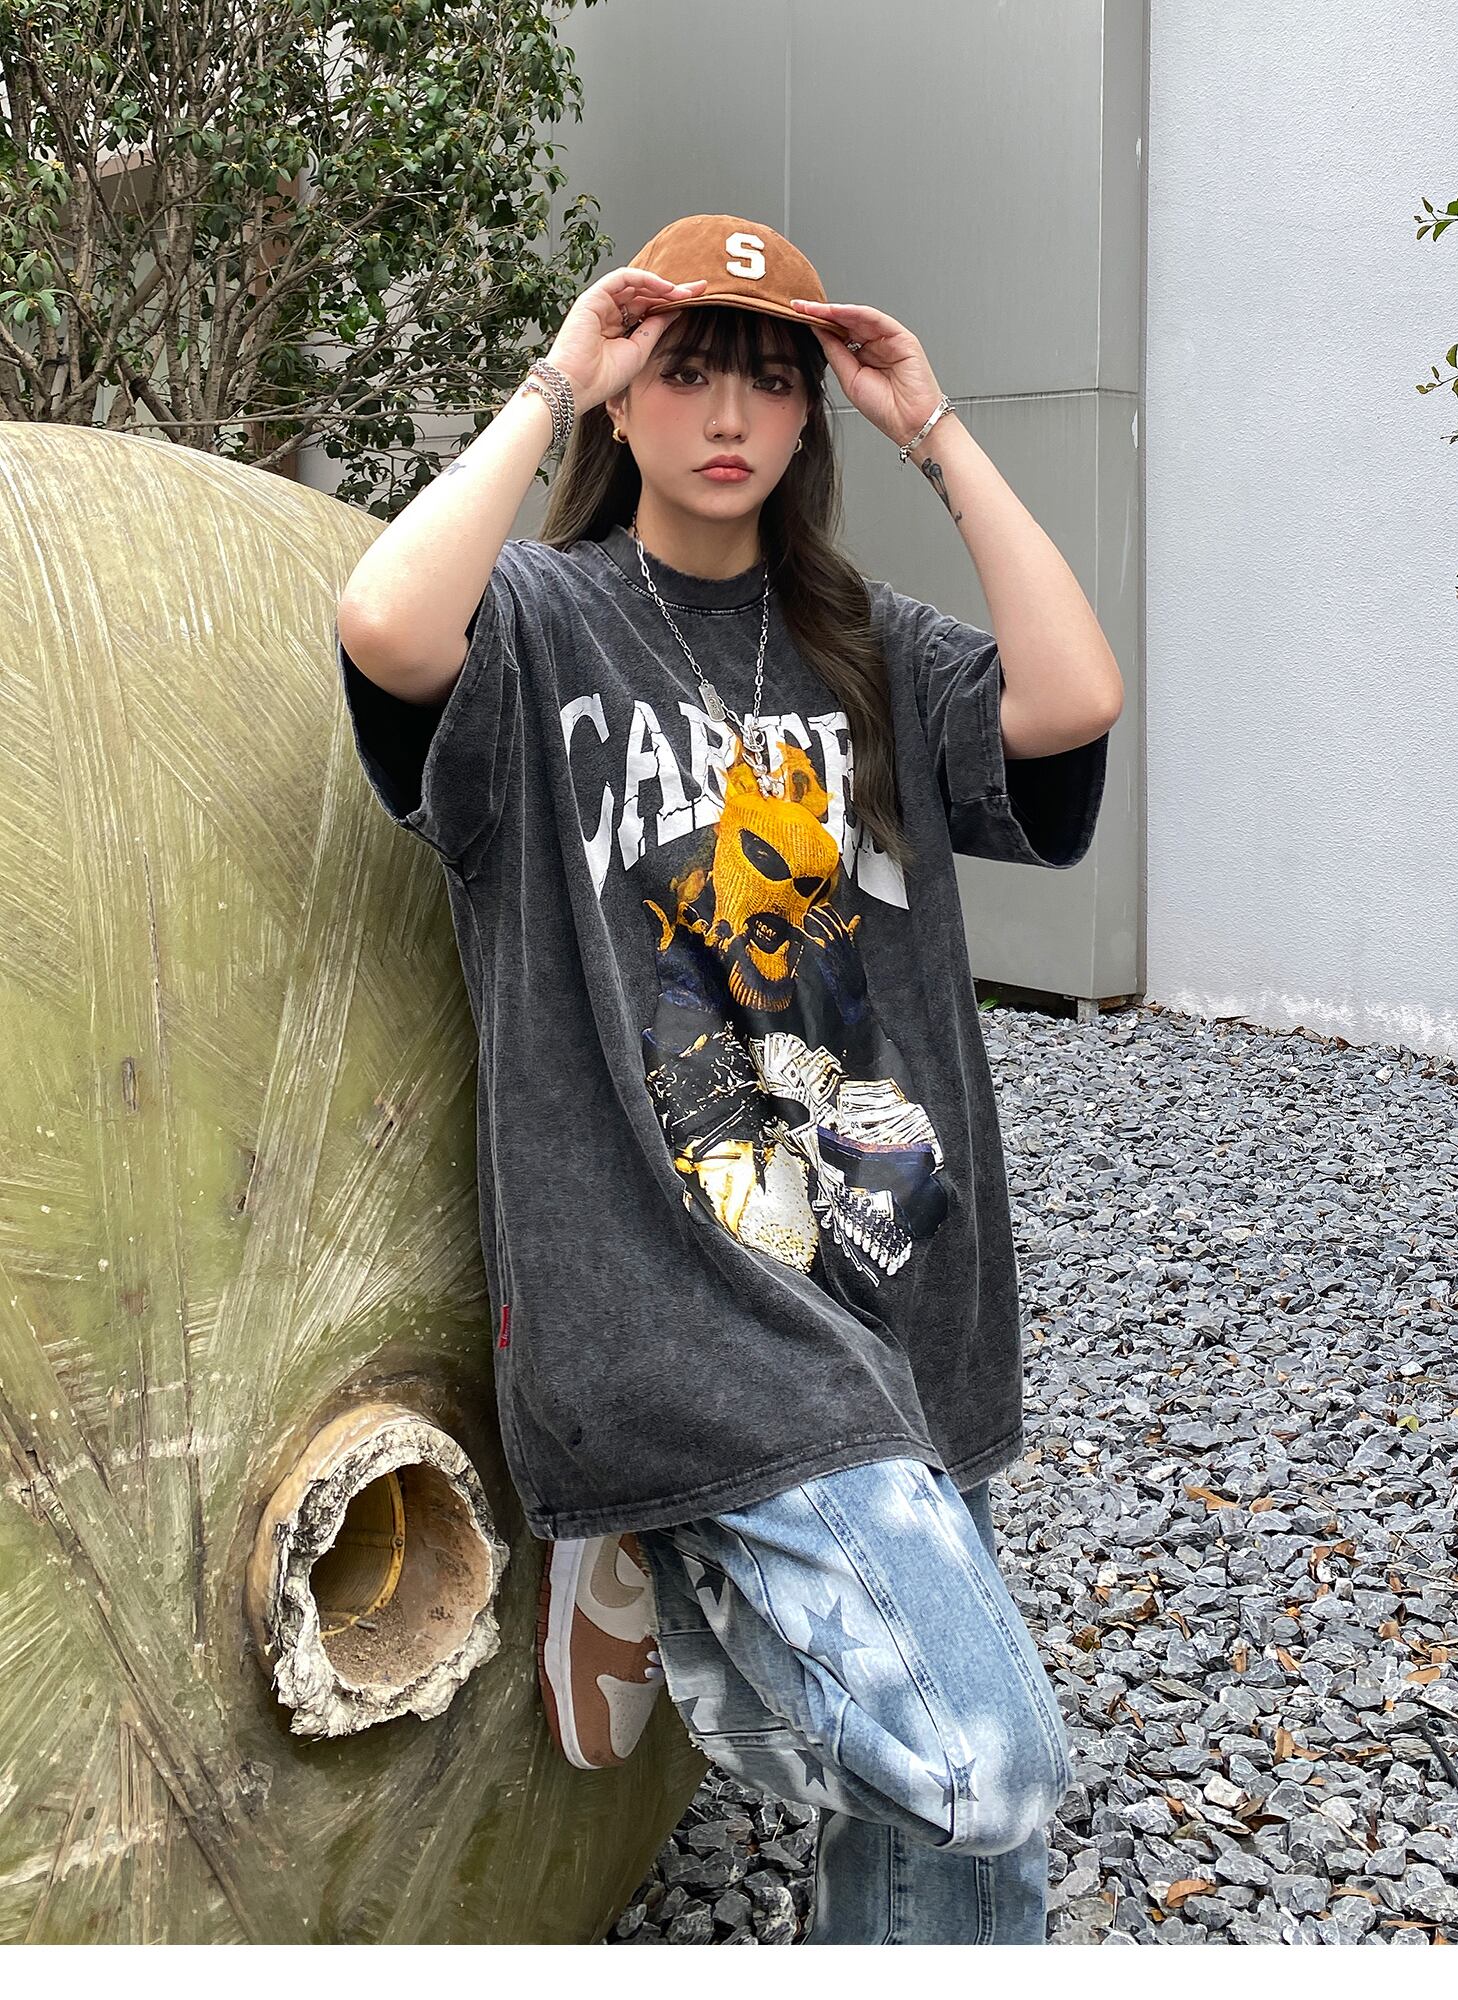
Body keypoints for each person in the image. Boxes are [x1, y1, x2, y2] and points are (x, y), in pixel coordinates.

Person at [335, 212, 1122, 1944]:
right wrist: (556, 375)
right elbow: (383, 625)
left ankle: (653, 1539)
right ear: (627, 398)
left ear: (807, 417)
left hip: (899, 1282)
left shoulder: (868, 648)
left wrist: (935, 427)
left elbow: (1071, 705)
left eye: (769, 380)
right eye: (686, 369)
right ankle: (679, 1571)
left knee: (952, 1853)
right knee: (984, 1761)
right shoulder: (537, 626)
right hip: (672, 1292)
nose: (726, 413)